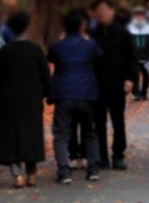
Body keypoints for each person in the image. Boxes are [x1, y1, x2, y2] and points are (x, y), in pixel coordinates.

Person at [0, 12, 51, 188]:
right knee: (32, 134)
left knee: (10, 135)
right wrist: (41, 94)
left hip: (9, 100)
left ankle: (17, 175)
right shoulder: (36, 50)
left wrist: (1, 94)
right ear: (27, 27)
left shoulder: (5, 52)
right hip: (31, 99)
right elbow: (46, 78)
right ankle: (31, 173)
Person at [48, 10, 103, 184]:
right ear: (81, 26)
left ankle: (64, 171)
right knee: (89, 132)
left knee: (61, 134)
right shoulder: (90, 45)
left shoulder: (56, 46)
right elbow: (99, 59)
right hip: (86, 93)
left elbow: (50, 59)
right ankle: (93, 168)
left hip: (64, 94)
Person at [90, 0, 139, 170]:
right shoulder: (91, 34)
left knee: (118, 121)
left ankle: (118, 155)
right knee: (98, 122)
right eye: (99, 11)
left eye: (105, 10)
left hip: (118, 83)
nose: (103, 13)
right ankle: (102, 156)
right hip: (96, 84)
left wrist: (130, 79)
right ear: (94, 14)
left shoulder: (122, 32)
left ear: (112, 11)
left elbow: (132, 58)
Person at [127, 6, 149, 101]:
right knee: (135, 73)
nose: (139, 17)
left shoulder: (148, 27)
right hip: (133, 55)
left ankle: (144, 91)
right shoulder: (129, 27)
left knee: (145, 74)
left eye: (141, 15)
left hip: (145, 54)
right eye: (137, 15)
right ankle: (136, 92)